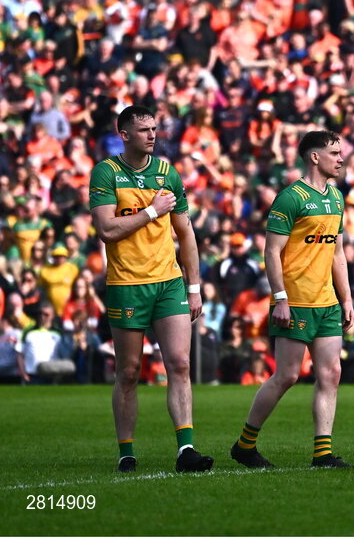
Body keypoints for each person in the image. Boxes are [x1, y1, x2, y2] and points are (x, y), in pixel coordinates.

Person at [88, 105, 212, 474]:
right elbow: (107, 230)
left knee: (179, 363)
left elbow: (186, 233)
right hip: (127, 284)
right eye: (143, 130)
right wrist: (152, 211)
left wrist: (194, 286)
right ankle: (126, 450)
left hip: (168, 282)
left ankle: (186, 448)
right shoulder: (106, 173)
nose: (152, 135)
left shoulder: (167, 173)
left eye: (155, 129)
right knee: (128, 371)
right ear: (123, 134)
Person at [230, 131, 354, 470]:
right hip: (296, 300)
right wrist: (281, 298)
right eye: (334, 152)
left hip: (326, 301)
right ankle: (245, 444)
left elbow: (338, 255)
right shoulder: (290, 198)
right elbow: (271, 252)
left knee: (331, 372)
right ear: (314, 157)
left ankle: (323, 453)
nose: (341, 158)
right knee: (285, 376)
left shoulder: (337, 198)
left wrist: (346, 298)